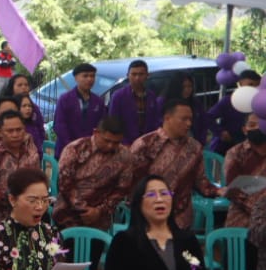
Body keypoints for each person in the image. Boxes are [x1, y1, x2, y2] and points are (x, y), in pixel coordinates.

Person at [130, 102, 219, 231]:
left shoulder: (194, 148)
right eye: (184, 119)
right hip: (147, 219)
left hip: (181, 219)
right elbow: (131, 182)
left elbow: (201, 181)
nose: (189, 124)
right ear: (167, 118)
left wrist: (218, 191)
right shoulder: (145, 144)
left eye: (190, 120)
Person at [55, 116, 135, 233]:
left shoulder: (125, 156)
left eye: (116, 143)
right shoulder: (75, 149)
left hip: (101, 217)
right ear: (96, 133)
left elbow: (122, 189)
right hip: (67, 214)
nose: (110, 146)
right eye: (107, 141)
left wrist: (99, 211)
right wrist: (84, 209)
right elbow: (65, 183)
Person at [0, 110, 43, 227]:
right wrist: (17, 198)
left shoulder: (32, 154)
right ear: (0, 132)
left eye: (19, 130)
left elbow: (38, 181)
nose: (15, 134)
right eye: (10, 131)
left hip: (27, 218)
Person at [53, 63, 106, 154]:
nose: (89, 79)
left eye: (92, 76)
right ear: (76, 78)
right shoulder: (65, 99)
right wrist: (72, 146)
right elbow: (59, 125)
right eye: (85, 76)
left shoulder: (98, 101)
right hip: (67, 149)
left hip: (91, 149)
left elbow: (102, 125)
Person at [106, 60, 163, 145]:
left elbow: (155, 121)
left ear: (147, 75)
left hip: (147, 143)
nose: (137, 78)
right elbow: (113, 122)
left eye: (141, 74)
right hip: (125, 144)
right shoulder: (118, 96)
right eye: (134, 74)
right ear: (128, 75)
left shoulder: (151, 96)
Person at [223, 117, 266, 229]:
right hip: (241, 219)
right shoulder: (235, 153)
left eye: (260, 125)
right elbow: (234, 191)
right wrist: (260, 211)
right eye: (252, 125)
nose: (257, 128)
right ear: (244, 129)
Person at [208, 70, 261, 154]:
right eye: (250, 84)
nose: (253, 89)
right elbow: (207, 117)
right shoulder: (228, 101)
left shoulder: (259, 103)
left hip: (248, 149)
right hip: (224, 148)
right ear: (240, 83)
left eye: (256, 86)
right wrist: (220, 132)